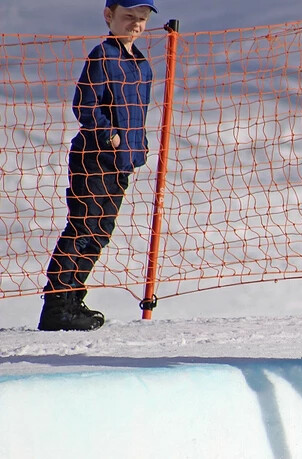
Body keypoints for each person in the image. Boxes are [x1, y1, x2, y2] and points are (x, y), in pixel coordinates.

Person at [38, 0, 158, 331]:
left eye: (142, 19)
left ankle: (74, 298)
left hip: (121, 164)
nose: (135, 24)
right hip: (94, 158)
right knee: (82, 227)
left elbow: (138, 111)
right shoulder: (102, 57)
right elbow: (85, 105)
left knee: (100, 232)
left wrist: (137, 146)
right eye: (128, 17)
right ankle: (57, 303)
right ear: (110, 17)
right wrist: (110, 137)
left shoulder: (141, 64)